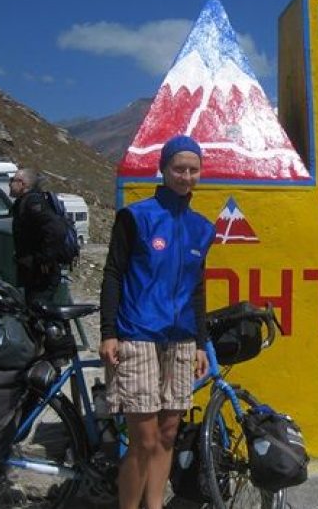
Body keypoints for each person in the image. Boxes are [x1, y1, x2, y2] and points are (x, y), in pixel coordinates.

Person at [99, 135, 214, 509]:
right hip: (137, 333)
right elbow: (113, 274)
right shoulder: (136, 216)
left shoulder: (201, 228)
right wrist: (108, 333)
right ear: (163, 169)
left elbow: (197, 290)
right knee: (144, 440)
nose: (186, 176)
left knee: (167, 435)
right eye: (178, 168)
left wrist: (200, 342)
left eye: (193, 170)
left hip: (180, 339)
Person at [9, 168, 66, 306]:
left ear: (22, 184)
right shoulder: (24, 202)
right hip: (31, 270)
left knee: (40, 309)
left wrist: (45, 258)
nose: (10, 184)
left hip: (41, 273)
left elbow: (56, 229)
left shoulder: (33, 203)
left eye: (12, 180)